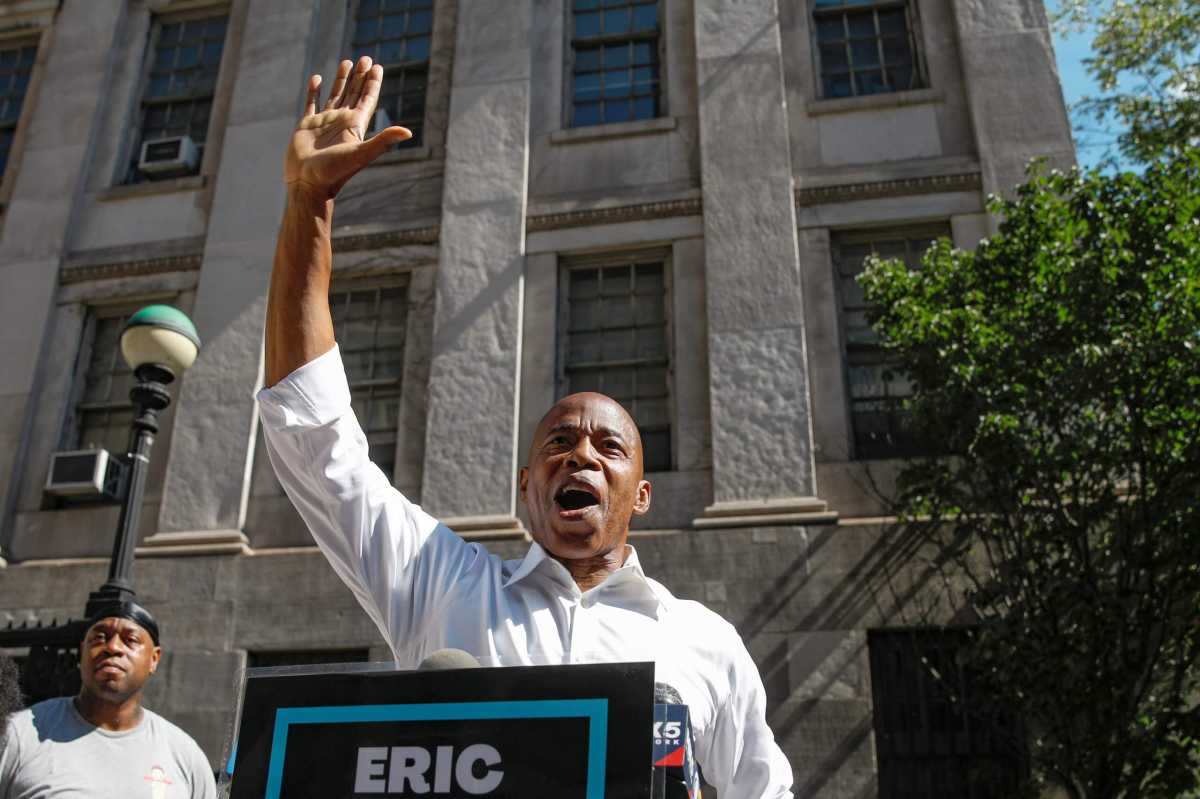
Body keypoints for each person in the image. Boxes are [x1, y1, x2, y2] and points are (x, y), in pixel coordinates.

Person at [258, 56, 795, 798]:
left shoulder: (705, 642)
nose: (580, 454)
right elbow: (313, 436)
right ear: (526, 486)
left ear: (640, 493)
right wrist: (307, 205)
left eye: (609, 447)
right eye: (557, 443)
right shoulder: (440, 584)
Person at [0, 601, 216, 799]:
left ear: (154, 659)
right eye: (100, 637)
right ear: (83, 650)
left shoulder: (185, 756)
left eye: (130, 640)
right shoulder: (17, 734)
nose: (112, 647)